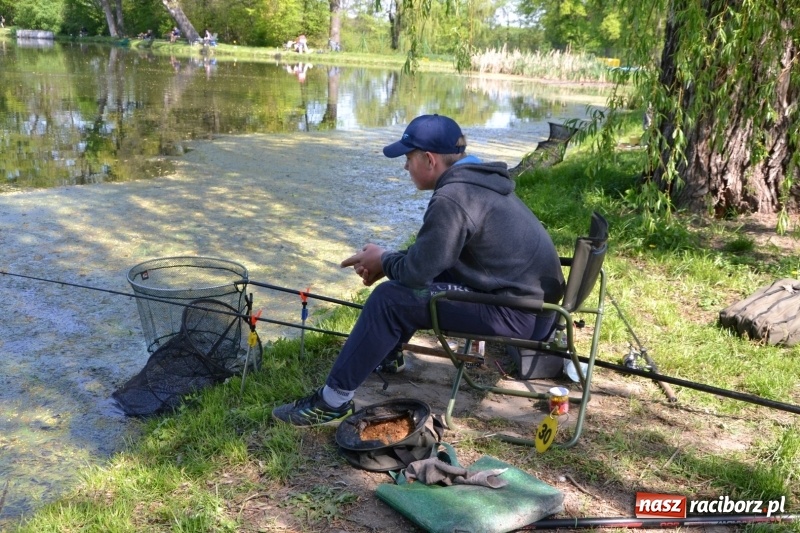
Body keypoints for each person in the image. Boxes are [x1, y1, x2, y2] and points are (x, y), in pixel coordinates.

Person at [272, 114, 566, 426]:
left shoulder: (454, 197)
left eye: (408, 158)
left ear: (429, 159)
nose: (405, 167)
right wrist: (387, 262)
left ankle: (332, 402)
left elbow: (416, 272)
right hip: (532, 307)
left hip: (517, 314)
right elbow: (433, 257)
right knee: (415, 283)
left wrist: (384, 261)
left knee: (388, 300)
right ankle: (386, 353)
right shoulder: (477, 183)